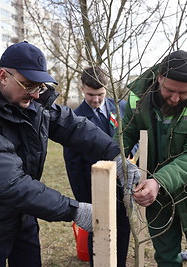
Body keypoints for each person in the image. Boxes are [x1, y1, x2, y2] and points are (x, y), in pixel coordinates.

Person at [0, 41, 139, 267]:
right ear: (3, 76)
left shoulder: (32, 103)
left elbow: (73, 126)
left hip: (24, 215)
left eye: (40, 86)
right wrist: (74, 210)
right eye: (29, 85)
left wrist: (115, 154)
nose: (36, 94)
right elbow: (10, 183)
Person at [118, 50, 187, 266]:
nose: (175, 98)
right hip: (155, 197)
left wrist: (159, 181)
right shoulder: (136, 97)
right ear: (159, 77)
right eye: (169, 90)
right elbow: (125, 136)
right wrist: (116, 160)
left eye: (184, 93)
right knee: (166, 257)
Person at [63, 66, 130, 267]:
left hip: (122, 185)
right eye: (91, 94)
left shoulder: (121, 108)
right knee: (99, 232)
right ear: (82, 88)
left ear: (106, 88)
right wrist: (83, 200)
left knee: (123, 228)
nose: (96, 99)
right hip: (94, 189)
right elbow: (73, 164)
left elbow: (131, 139)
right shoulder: (75, 119)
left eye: (100, 94)